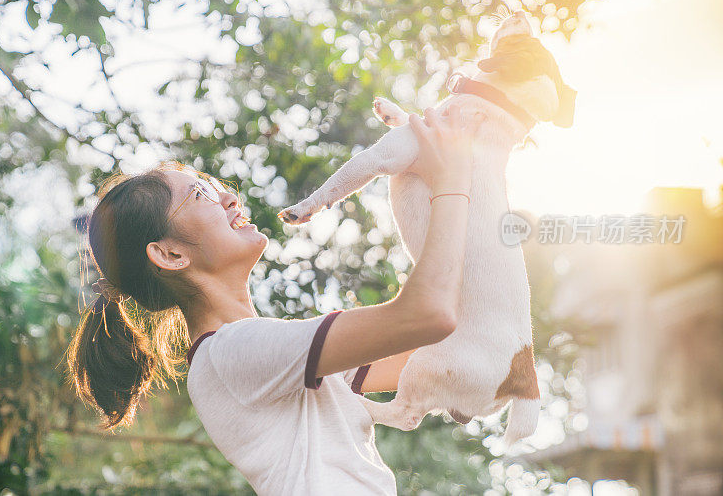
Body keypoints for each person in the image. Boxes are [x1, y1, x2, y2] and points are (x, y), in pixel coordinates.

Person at [66, 104, 478, 495]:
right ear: (171, 255)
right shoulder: (230, 355)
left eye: (214, 186)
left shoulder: (272, 356)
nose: (229, 197)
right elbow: (428, 314)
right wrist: (452, 183)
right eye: (199, 195)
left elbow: (446, 360)